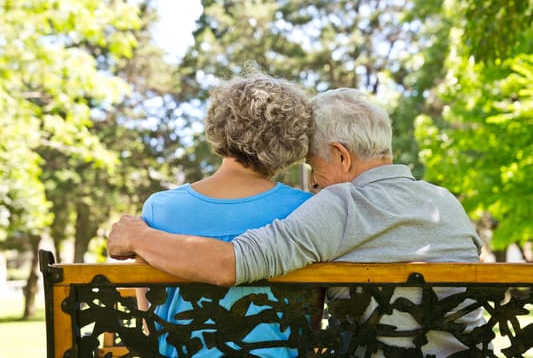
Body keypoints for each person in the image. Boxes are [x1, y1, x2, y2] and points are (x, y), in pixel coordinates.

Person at [108, 88, 484, 357]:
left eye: (312, 166)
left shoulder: (342, 205)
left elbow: (228, 263)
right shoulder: (445, 202)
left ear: (341, 156)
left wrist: (139, 235)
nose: (314, 181)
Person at [133, 72, 314, 357]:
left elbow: (150, 321)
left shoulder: (160, 208)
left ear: (220, 125)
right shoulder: (306, 208)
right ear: (292, 138)